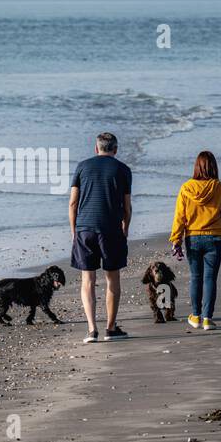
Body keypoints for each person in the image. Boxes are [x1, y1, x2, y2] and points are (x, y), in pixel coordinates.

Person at [68, 132, 132, 343]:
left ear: (96, 149)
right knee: (112, 278)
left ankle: (91, 329)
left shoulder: (82, 167)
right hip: (111, 229)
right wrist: (125, 227)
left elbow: (73, 203)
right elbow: (127, 206)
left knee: (88, 279)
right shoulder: (123, 170)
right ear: (115, 149)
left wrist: (73, 230)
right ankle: (110, 328)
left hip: (85, 227)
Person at [169, 150, 221, 330]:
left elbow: (179, 217)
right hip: (215, 238)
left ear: (197, 167)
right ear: (214, 167)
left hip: (193, 238)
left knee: (196, 277)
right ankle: (208, 318)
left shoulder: (186, 188)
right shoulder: (220, 188)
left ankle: (196, 316)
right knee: (210, 278)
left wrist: (176, 238)